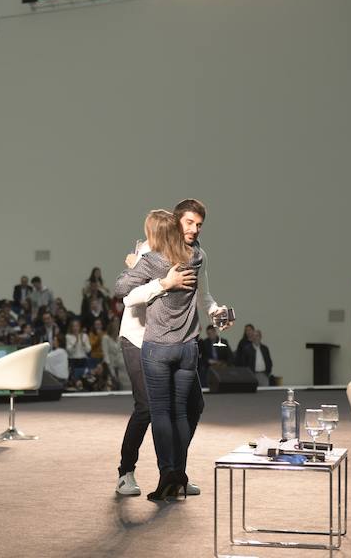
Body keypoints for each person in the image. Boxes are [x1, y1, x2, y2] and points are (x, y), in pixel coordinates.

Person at [115, 201, 231, 500]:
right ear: (176, 222)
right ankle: (126, 472)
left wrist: (216, 311)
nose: (194, 229)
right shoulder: (149, 249)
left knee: (193, 407)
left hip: (175, 341)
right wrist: (163, 283)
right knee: (147, 409)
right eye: (190, 223)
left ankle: (174, 472)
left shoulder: (197, 254)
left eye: (199, 224)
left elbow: (203, 295)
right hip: (139, 337)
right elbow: (127, 296)